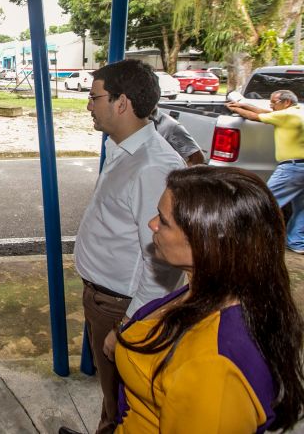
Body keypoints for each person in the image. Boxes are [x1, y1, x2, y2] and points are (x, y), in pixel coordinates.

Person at [114, 166, 304, 433]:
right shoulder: (214, 289)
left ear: (206, 242)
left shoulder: (213, 370)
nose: (152, 224)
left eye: (164, 220)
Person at [71, 59, 186, 434]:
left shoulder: (152, 167)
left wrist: (128, 324)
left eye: (95, 97)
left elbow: (164, 264)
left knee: (126, 404)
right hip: (104, 297)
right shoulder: (124, 149)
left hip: (122, 305)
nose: (88, 104)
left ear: (121, 103)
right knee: (113, 394)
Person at [227, 90, 304, 253]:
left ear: (287, 102)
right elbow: (266, 113)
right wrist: (244, 104)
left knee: (265, 201)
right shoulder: (297, 112)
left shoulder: (287, 116)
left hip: (292, 168)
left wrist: (235, 109)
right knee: (302, 207)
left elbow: (255, 117)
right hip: (301, 168)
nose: (271, 105)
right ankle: (297, 242)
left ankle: (241, 236)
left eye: (274, 102)